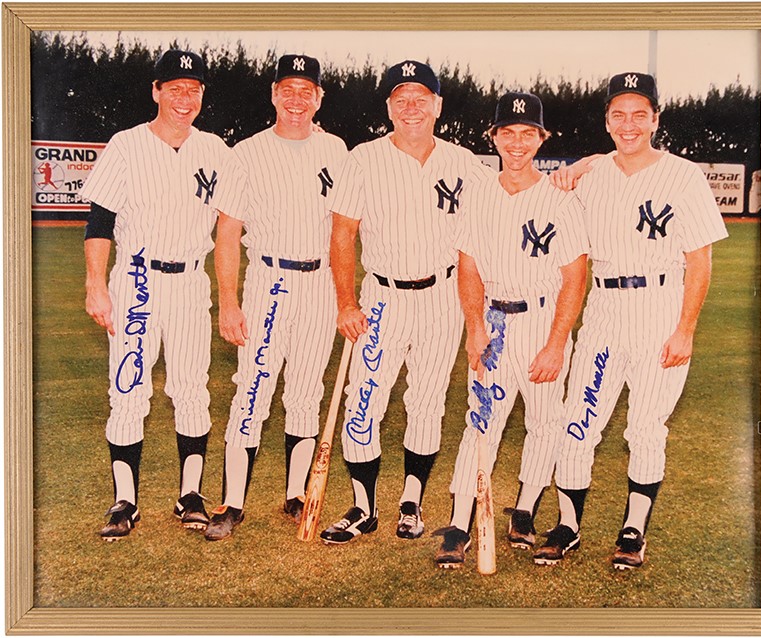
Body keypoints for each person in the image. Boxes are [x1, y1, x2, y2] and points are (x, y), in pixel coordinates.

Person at [533, 72, 728, 569]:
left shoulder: (684, 175)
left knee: (645, 428)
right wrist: (578, 166)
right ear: (606, 121)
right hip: (603, 309)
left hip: (661, 310)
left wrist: (685, 329)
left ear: (656, 119)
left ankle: (633, 530)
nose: (629, 123)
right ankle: (568, 526)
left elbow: (699, 262)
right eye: (618, 114)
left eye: (640, 113)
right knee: (578, 422)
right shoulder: (589, 177)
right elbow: (543, 211)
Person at [320, 60, 489, 545]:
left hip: (443, 297)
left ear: (438, 106)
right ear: (389, 108)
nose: (411, 107)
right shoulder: (362, 158)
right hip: (381, 297)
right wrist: (346, 303)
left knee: (427, 401)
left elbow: (484, 235)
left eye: (421, 98)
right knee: (363, 401)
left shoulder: (465, 164)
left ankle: (411, 501)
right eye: (401, 99)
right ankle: (362, 506)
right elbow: (342, 234)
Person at [81, 49, 232, 540]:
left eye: (193, 89)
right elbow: (100, 221)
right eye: (174, 88)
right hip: (137, 281)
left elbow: (231, 223)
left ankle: (190, 495)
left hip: (191, 280)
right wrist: (95, 283)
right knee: (128, 390)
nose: (184, 98)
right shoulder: (126, 145)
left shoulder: (216, 151)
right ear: (156, 91)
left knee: (191, 387)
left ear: (202, 95)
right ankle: (124, 500)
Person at [433, 92, 589, 568]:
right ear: (494, 137)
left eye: (528, 134)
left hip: (542, 318)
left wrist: (557, 343)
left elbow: (574, 278)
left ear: (541, 139)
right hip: (496, 318)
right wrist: (474, 328)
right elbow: (468, 266)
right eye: (508, 133)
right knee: (481, 422)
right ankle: (460, 522)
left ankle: (524, 511)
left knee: (544, 423)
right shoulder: (479, 194)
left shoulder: (562, 198)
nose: (517, 143)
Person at [203, 54, 348, 541]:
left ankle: (295, 493)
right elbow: (227, 233)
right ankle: (233, 502)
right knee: (253, 387)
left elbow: (346, 229)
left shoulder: (337, 150)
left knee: (307, 391)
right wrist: (228, 300)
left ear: (319, 99)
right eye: (288, 88)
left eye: (307, 90)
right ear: (273, 95)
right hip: (270, 281)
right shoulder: (245, 152)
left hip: (320, 283)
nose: (296, 98)